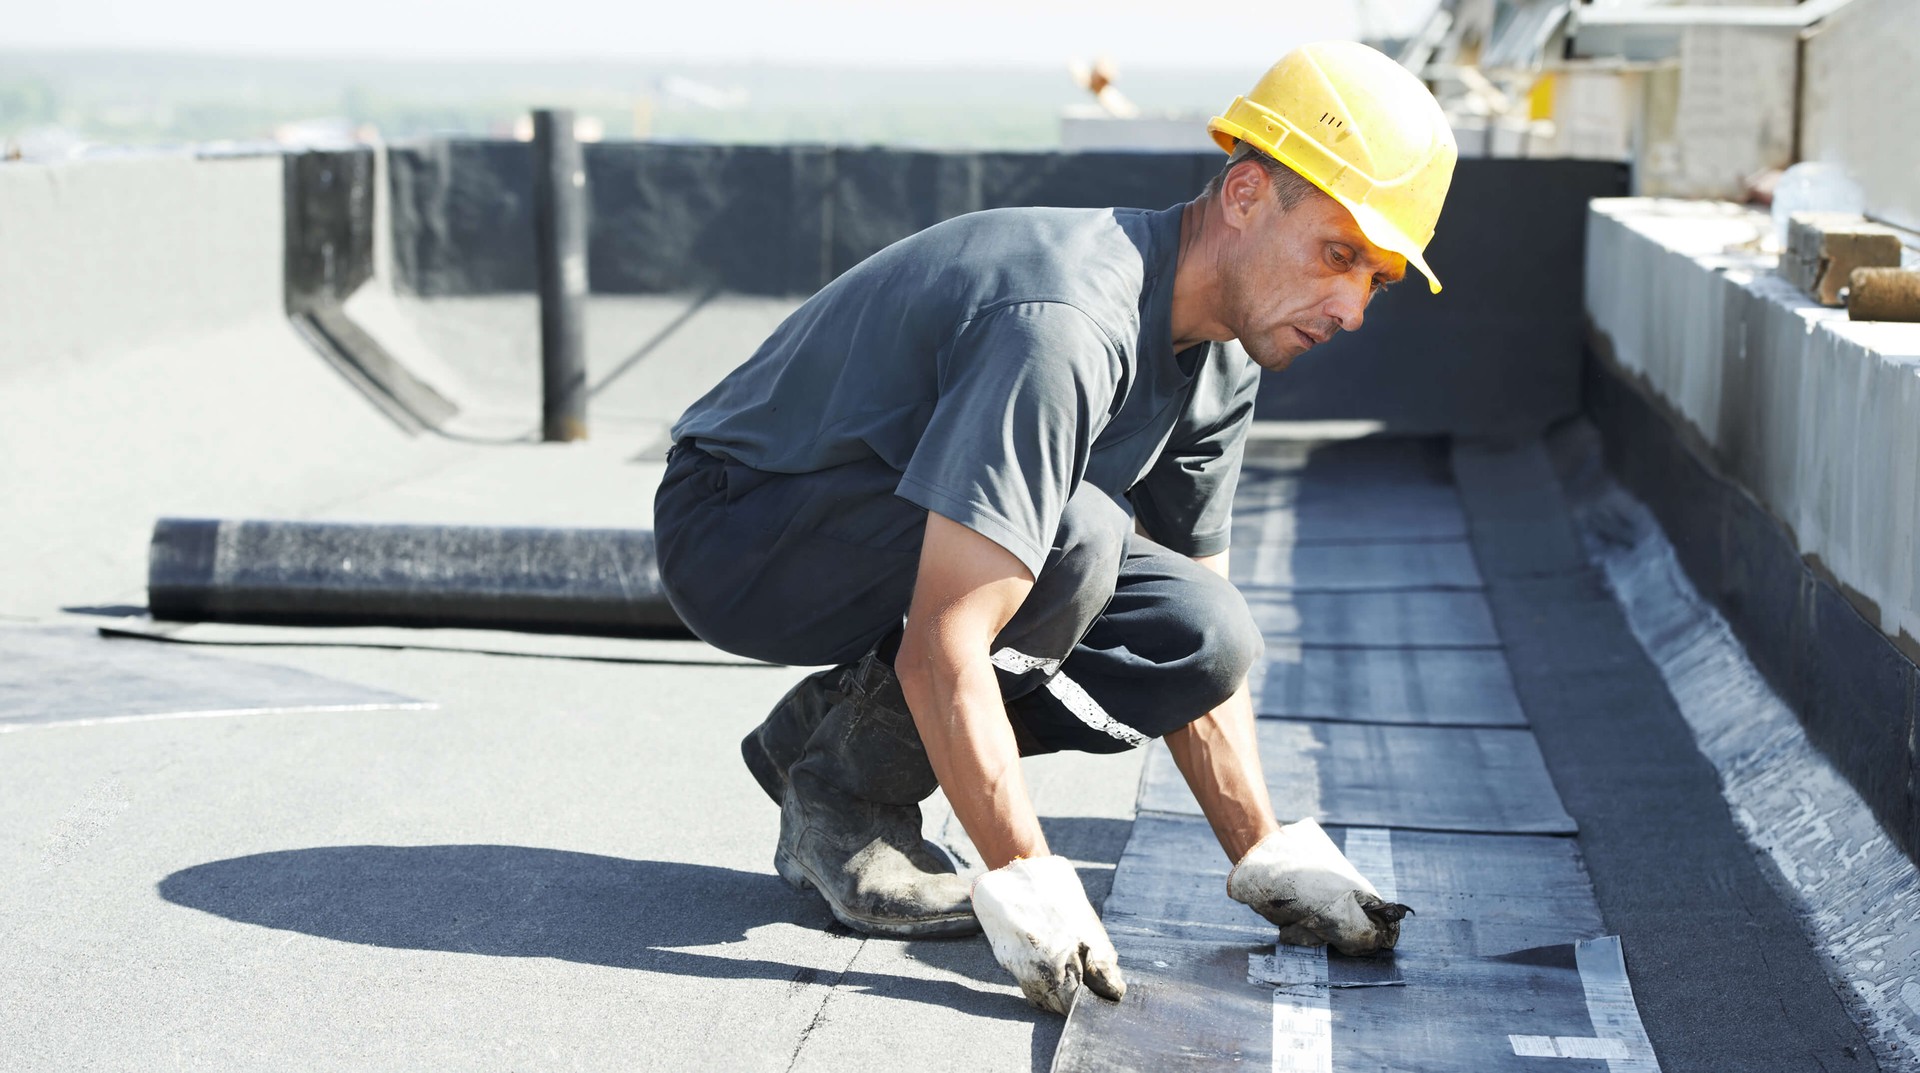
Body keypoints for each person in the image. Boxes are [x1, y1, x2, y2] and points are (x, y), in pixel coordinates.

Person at [654, 40, 1457, 1014]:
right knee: (1074, 538)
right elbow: (950, 635)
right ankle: (844, 804)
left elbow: (1196, 611)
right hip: (745, 525)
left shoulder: (1224, 352)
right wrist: (1025, 870)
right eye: (1340, 255)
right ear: (1245, 196)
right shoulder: (1068, 322)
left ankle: (827, 740)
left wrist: (1264, 850)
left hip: (891, 535)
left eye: (1377, 278)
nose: (1354, 308)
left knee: (1203, 635)